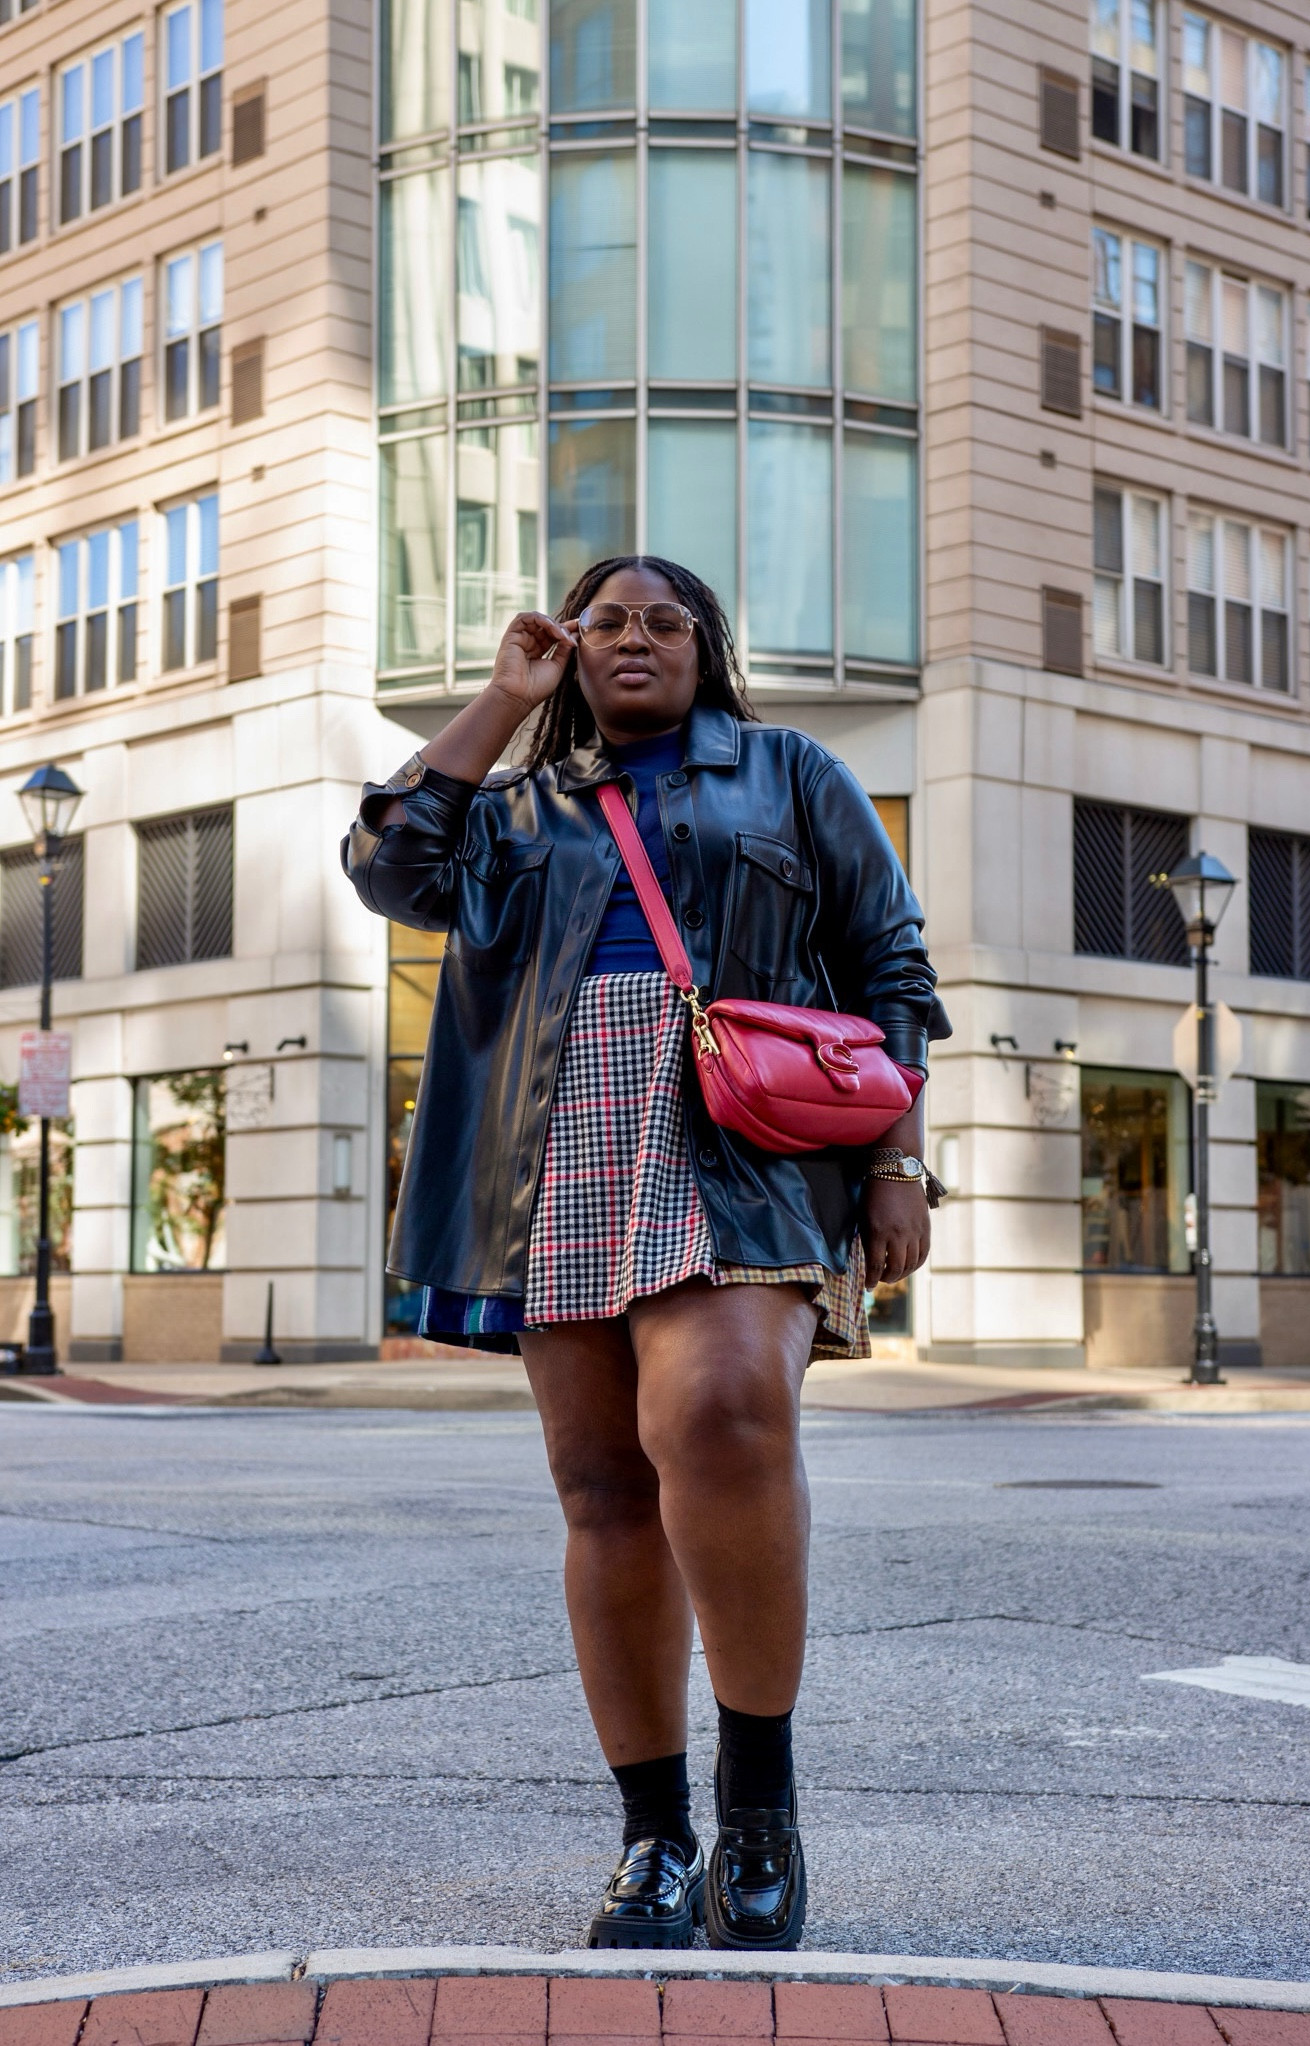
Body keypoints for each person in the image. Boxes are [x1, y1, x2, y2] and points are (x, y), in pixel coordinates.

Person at [342, 555, 948, 1951]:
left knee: (723, 1408)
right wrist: (503, 697)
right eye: (604, 618)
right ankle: (655, 1838)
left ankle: (759, 1805)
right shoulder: (514, 807)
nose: (633, 638)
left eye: (664, 621)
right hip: (557, 1141)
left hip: (741, 1142)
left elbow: (891, 962)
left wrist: (898, 1159)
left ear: (706, 649)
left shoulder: (794, 773)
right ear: (567, 643)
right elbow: (389, 864)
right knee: (606, 1486)